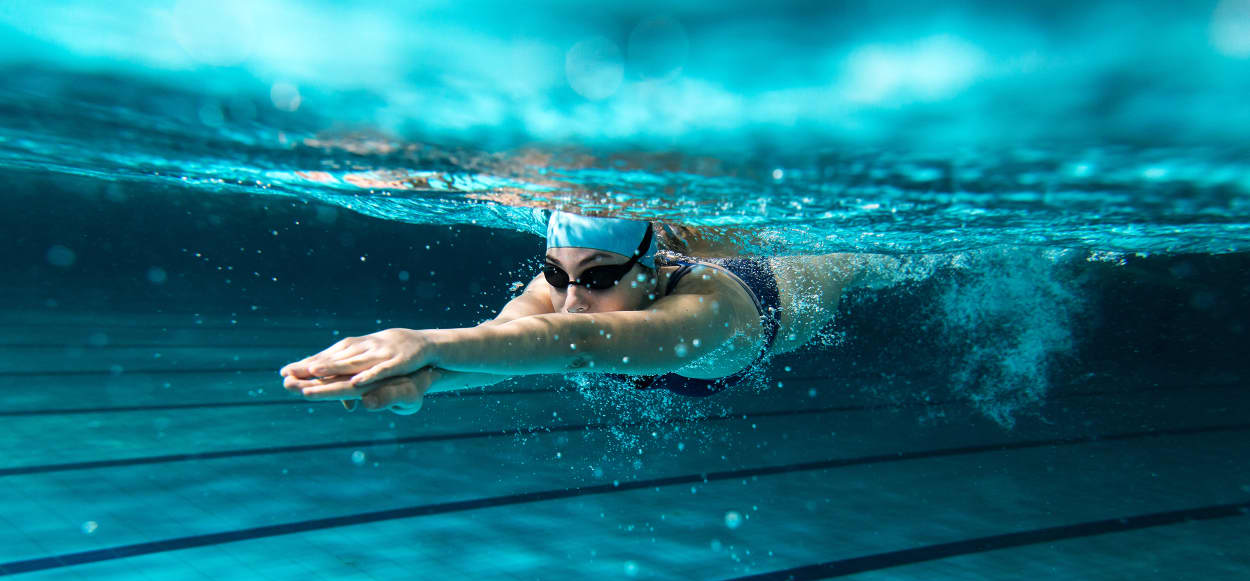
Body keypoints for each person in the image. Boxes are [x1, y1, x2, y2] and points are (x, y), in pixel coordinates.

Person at [280, 211, 868, 414]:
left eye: (599, 277)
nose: (570, 298)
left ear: (653, 268)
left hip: (789, 284)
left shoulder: (707, 310)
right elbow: (506, 341)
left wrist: (424, 342)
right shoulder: (568, 290)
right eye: (557, 274)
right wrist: (423, 382)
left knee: (867, 259)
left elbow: (578, 343)